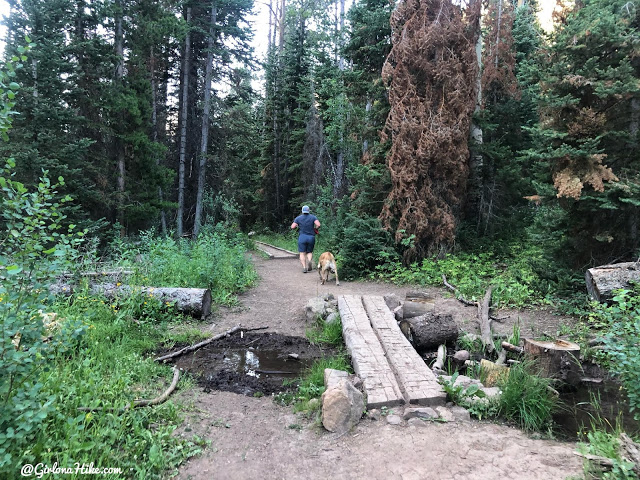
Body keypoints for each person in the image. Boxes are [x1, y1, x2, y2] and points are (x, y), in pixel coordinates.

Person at [291, 205, 321, 273]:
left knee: (302, 253)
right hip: (311, 237)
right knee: (309, 252)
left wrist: (297, 227)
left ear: (302, 211)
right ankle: (309, 260)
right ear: (308, 211)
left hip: (302, 237)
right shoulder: (313, 217)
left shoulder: (298, 218)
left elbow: (292, 227)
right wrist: (315, 229)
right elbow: (318, 224)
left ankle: (304, 267)